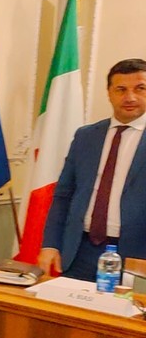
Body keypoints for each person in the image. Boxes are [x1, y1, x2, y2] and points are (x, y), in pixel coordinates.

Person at [39, 59, 146, 280]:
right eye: (121, 89)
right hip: (79, 251)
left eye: (140, 88)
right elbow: (63, 195)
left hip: (137, 257)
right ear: (109, 93)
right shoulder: (86, 136)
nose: (130, 97)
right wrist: (50, 244)